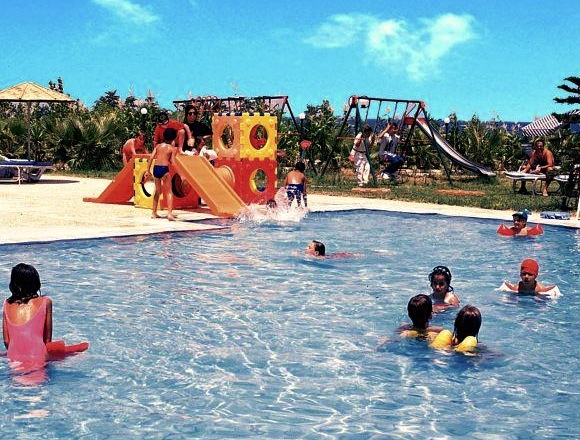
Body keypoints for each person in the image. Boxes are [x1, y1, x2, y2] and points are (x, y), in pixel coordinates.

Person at [3, 263, 52, 361]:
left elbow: (7, 341)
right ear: (36, 283)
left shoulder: (6, 304)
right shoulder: (46, 302)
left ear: (14, 284)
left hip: (14, 357)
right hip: (38, 356)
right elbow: (47, 340)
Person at [146, 127, 178, 221]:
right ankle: (169, 214)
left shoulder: (158, 146)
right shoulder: (171, 148)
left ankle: (154, 213)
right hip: (164, 169)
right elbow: (173, 162)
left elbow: (151, 157)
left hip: (156, 169)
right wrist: (180, 172)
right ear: (173, 138)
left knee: (158, 191)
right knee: (169, 192)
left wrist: (148, 171)